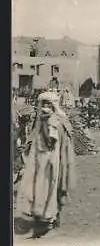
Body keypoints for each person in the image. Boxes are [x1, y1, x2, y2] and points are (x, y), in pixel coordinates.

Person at [14, 91, 76, 238]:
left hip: (50, 161)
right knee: (38, 188)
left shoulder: (54, 121)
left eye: (49, 105)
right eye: (43, 105)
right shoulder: (41, 120)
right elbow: (34, 138)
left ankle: (49, 221)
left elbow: (53, 143)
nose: (45, 108)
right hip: (39, 161)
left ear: (53, 106)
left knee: (49, 188)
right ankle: (42, 218)